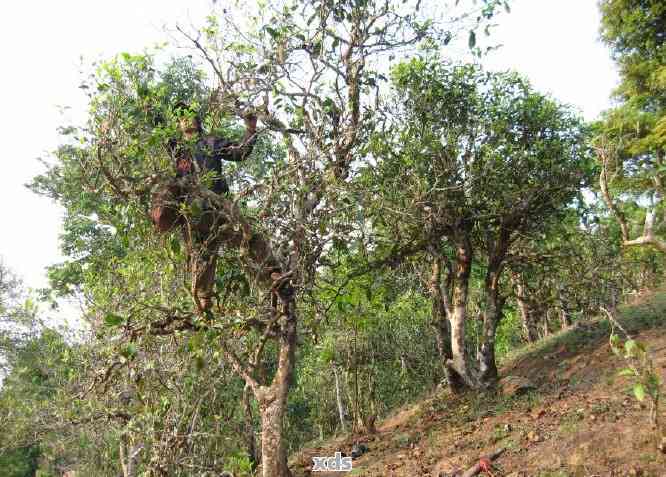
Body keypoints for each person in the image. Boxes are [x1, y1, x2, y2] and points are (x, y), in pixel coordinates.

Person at [150, 104, 258, 311]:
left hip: (216, 208)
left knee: (218, 248)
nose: (185, 119)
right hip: (190, 211)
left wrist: (251, 129)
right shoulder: (178, 148)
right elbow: (160, 130)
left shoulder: (211, 142)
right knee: (197, 254)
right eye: (180, 117)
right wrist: (148, 107)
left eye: (189, 115)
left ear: (198, 121)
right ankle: (202, 298)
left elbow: (240, 152)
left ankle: (206, 297)